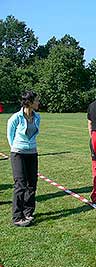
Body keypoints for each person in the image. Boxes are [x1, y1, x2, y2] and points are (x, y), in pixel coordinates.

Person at [7, 91, 40, 227]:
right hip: (18, 153)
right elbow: (10, 136)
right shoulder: (15, 118)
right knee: (20, 184)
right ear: (30, 102)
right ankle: (17, 216)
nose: (39, 103)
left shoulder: (37, 117)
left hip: (32, 153)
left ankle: (28, 212)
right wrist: (17, 148)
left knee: (32, 183)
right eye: (37, 101)